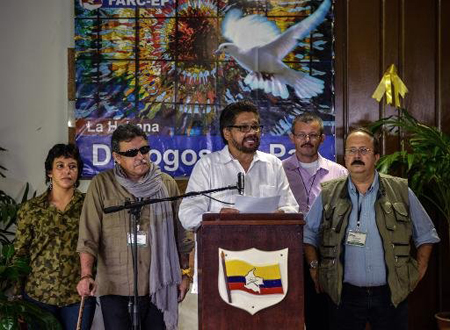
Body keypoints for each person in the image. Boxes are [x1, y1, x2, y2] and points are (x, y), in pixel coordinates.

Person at [304, 128, 440, 330]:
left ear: (376, 156)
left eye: (364, 150)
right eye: (351, 150)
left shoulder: (400, 190)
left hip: (390, 295)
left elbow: (427, 234)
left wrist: (415, 274)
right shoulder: (329, 193)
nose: (356, 156)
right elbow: (309, 234)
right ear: (345, 156)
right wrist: (314, 269)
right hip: (343, 295)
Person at [76, 124, 194, 330]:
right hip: (115, 286)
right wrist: (86, 275)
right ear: (117, 157)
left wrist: (185, 274)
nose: (140, 156)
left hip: (159, 286)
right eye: (131, 152)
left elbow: (182, 235)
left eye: (144, 150)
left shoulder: (166, 185)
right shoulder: (101, 185)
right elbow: (88, 236)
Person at [179, 100, 299, 231]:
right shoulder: (207, 166)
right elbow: (188, 215)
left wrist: (280, 214)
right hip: (220, 246)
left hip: (265, 245)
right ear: (227, 133)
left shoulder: (273, 164)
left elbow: (292, 207)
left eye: (255, 127)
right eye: (243, 127)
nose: (252, 132)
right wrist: (217, 217)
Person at [14, 143, 95, 330]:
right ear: (50, 172)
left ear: (78, 172)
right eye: (60, 165)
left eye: (72, 166)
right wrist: (17, 296)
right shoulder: (31, 209)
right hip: (38, 295)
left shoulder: (89, 206)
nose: (66, 171)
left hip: (78, 294)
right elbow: (20, 253)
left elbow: (98, 243)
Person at [282, 113, 347, 330]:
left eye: (313, 135)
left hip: (325, 252)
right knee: (286, 315)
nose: (307, 140)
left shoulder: (339, 173)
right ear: (292, 138)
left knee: (321, 315)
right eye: (301, 135)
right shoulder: (278, 171)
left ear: (322, 138)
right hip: (285, 251)